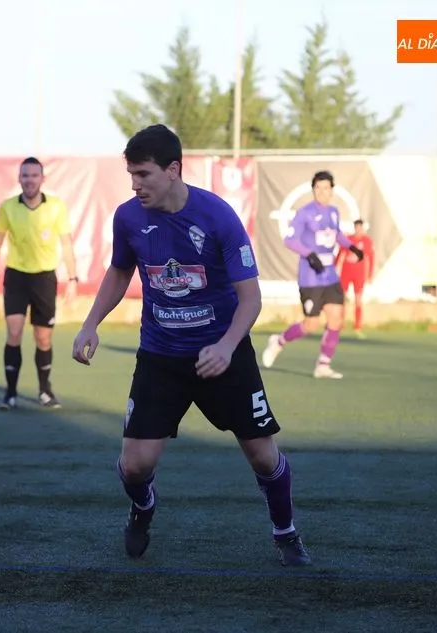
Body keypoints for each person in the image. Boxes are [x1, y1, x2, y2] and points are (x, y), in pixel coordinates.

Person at [71, 124, 311, 567]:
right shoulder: (128, 218)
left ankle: (286, 532)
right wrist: (90, 323)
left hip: (223, 353)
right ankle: (143, 506)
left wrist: (227, 346)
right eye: (131, 174)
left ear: (173, 170)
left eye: (143, 174)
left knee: (262, 455)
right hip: (160, 356)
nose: (135, 184)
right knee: (134, 465)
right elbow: (120, 271)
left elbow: (250, 298)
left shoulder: (218, 217)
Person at [0, 157, 78, 410]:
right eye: (25, 175)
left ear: (43, 179)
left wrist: (72, 278)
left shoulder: (56, 207)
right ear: (19, 178)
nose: (29, 180)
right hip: (16, 277)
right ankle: (10, 393)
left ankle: (44, 391)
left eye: (34, 175)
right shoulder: (8, 207)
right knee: (14, 333)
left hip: (44, 278)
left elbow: (66, 243)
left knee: (43, 338)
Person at [260, 171, 363, 379]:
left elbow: (336, 234)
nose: (322, 192)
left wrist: (351, 247)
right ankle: (279, 341)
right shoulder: (304, 213)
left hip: (330, 276)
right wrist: (309, 254)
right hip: (311, 277)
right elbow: (290, 240)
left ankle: (323, 365)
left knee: (336, 319)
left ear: (332, 190)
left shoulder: (333, 212)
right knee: (311, 324)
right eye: (318, 188)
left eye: (326, 188)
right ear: (313, 190)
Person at [336, 219, 375, 338]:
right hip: (346, 273)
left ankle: (357, 326)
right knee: (342, 299)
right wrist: (335, 267)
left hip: (359, 274)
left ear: (362, 228)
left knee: (358, 300)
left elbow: (370, 258)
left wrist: (370, 275)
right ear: (354, 228)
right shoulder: (348, 239)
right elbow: (340, 254)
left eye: (360, 228)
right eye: (356, 228)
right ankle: (340, 324)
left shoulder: (367, 241)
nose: (358, 230)